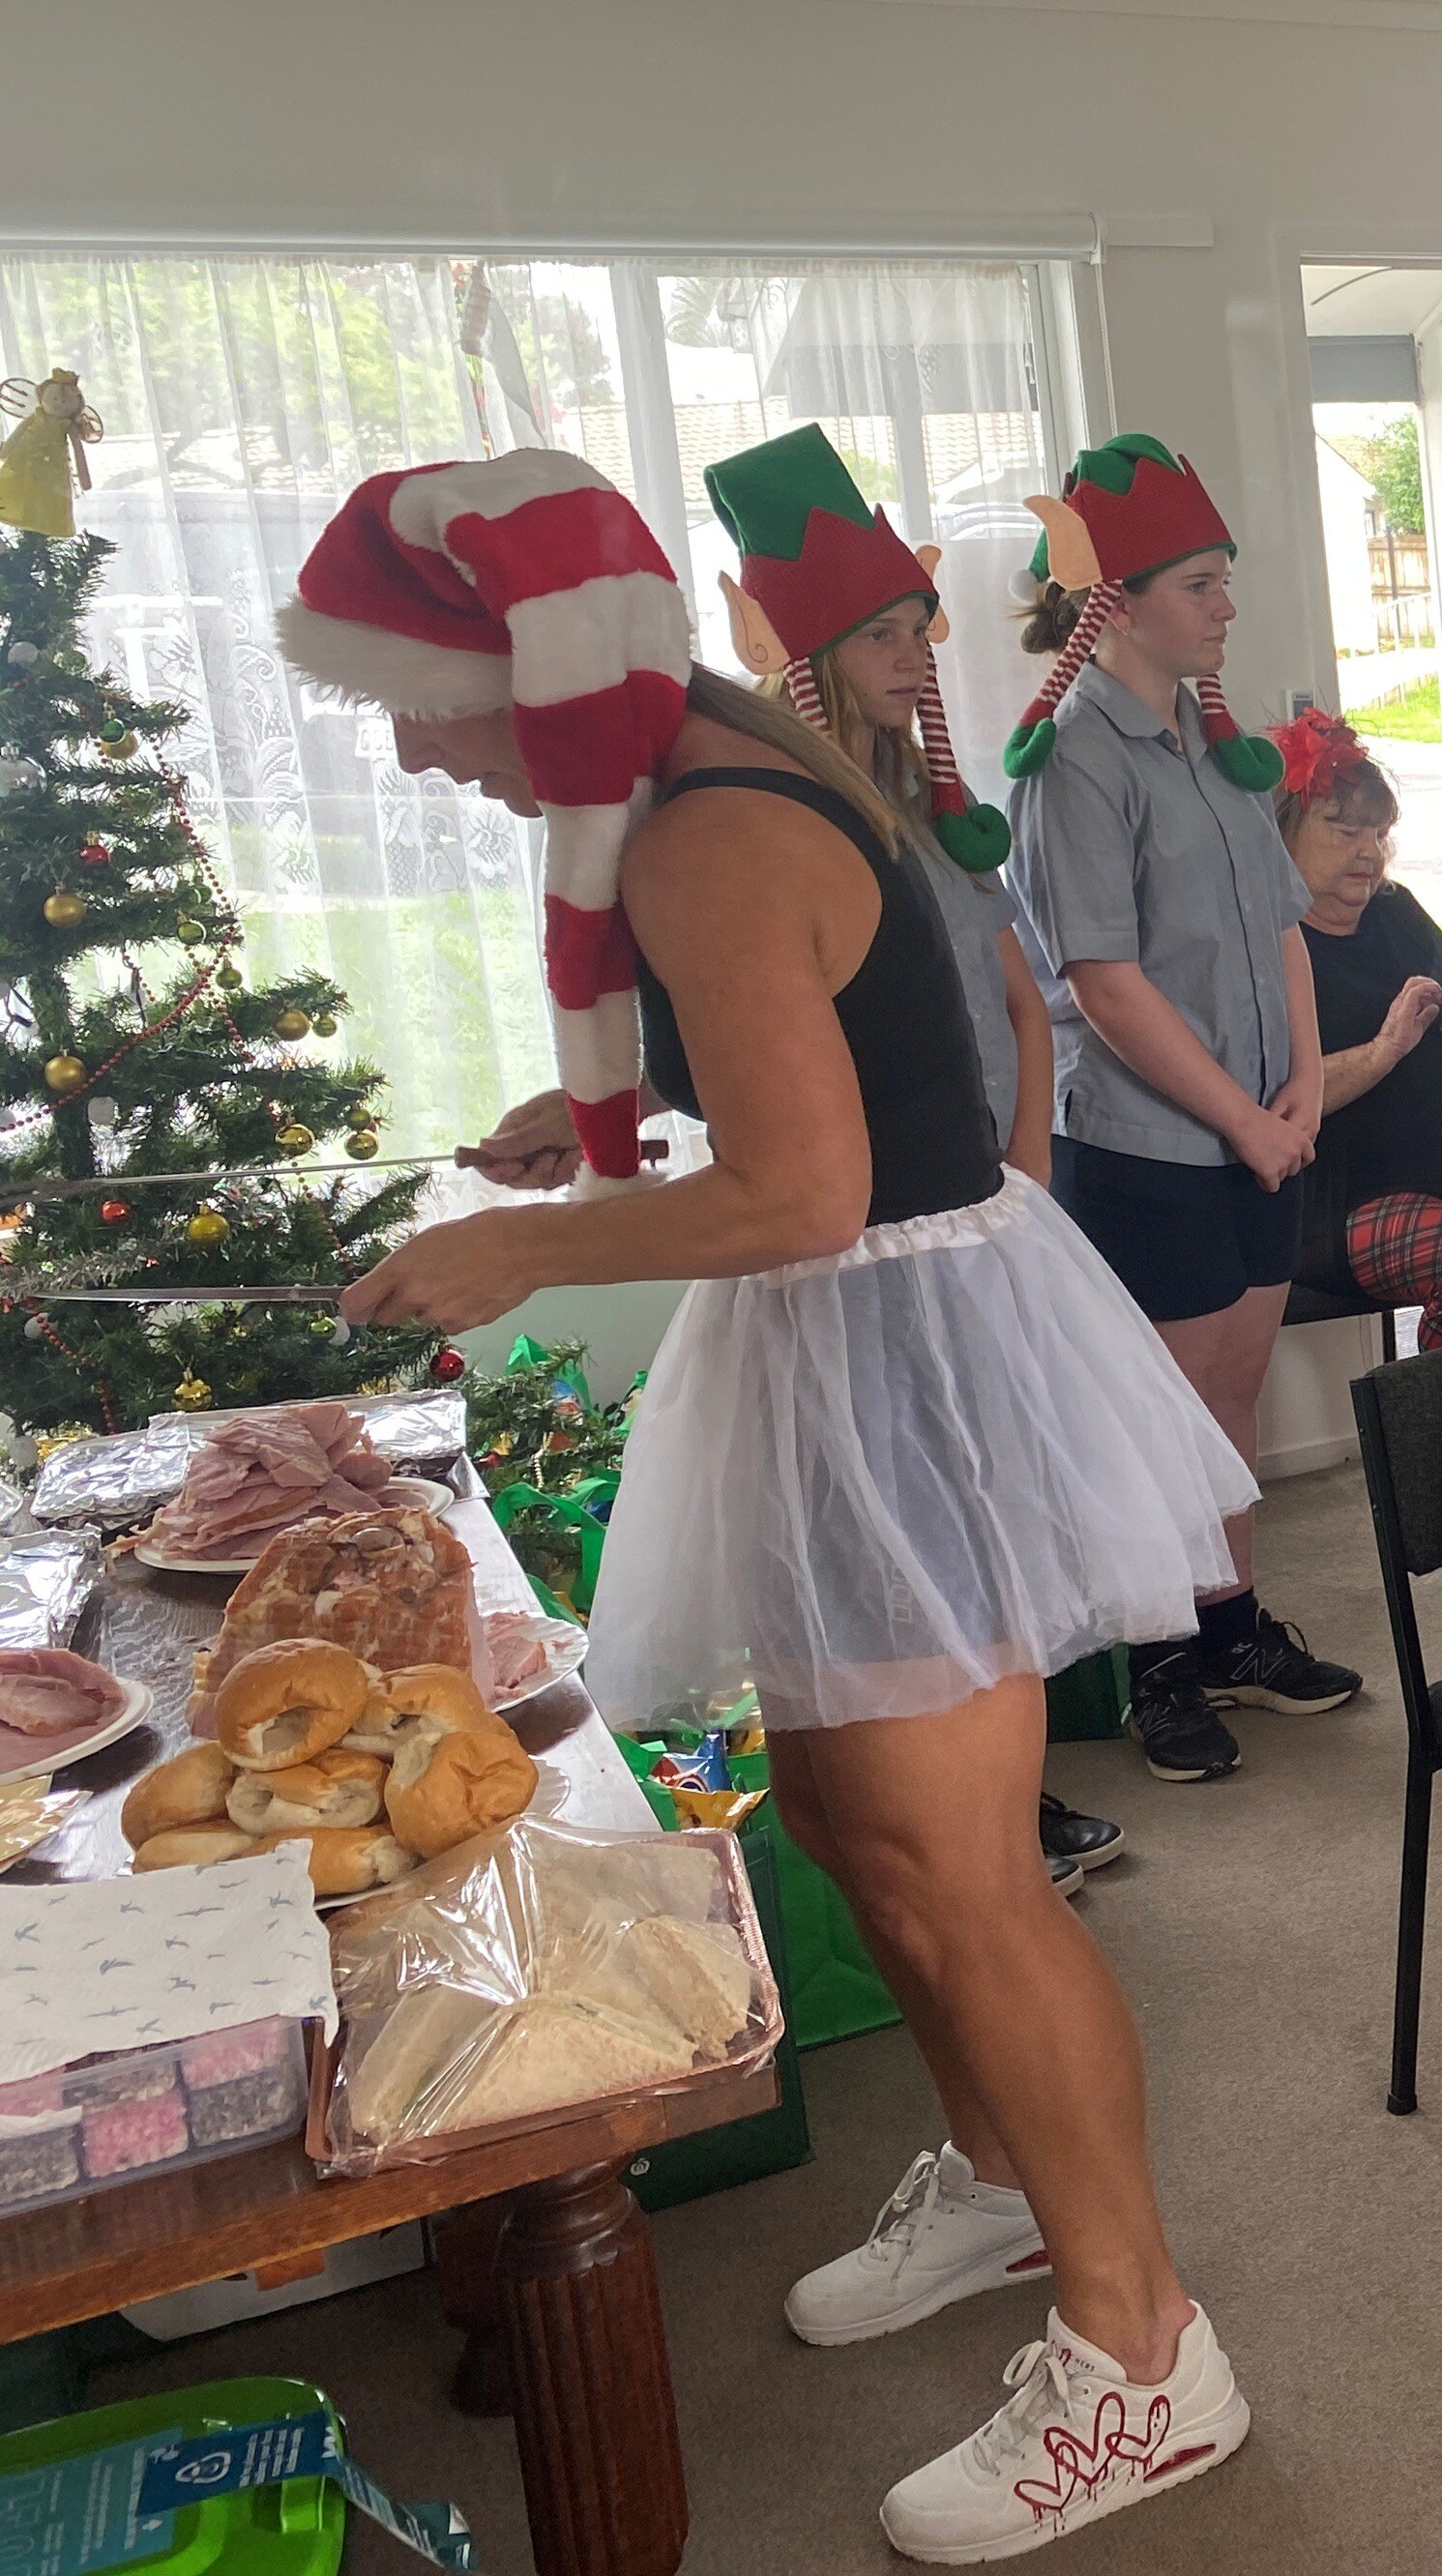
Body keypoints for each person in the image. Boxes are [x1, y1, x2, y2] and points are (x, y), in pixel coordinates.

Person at [291, 450, 1254, 2561]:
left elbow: (813, 1184)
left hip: (898, 1336)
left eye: (408, 696)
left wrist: (530, 1251)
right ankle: (1010, 2193)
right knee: (849, 1824)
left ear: (518, 667)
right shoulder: (711, 756)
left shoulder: (705, 826)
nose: (407, 747)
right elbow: (830, 1056)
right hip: (862, 1338)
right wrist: (606, 1113)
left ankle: (1148, 2354)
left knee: (960, 1867)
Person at [702, 424, 1119, 1890]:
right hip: (855, 1249)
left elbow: (1015, 1004)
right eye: (875, 633)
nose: (908, 652)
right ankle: (955, 1803)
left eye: (911, 627)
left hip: (980, 1229)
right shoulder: (772, 813)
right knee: (894, 1525)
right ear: (810, 655)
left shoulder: (948, 819)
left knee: (989, 1508)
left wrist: (1024, 1189)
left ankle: (1002, 1794)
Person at [1006, 433, 1361, 1787]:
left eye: (1225, 580)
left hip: (1265, 1129)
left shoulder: (1215, 741)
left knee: (1231, 1394)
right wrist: (1247, 1119)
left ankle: (1228, 1631)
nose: (1225, 606)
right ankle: (1157, 1663)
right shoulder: (1071, 757)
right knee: (1160, 1410)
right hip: (1152, 1142)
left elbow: (1283, 927)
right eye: (1202, 583)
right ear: (1121, 601)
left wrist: (1308, 1083)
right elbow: (1101, 981)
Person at [1271, 704, 1442, 1352]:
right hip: (1340, 1205)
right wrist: (1385, 1050)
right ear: (1282, 831)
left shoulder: (1397, 911)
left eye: (1379, 834)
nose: (1369, 852)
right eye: (1344, 829)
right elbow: (1271, 1102)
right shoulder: (1270, 943)